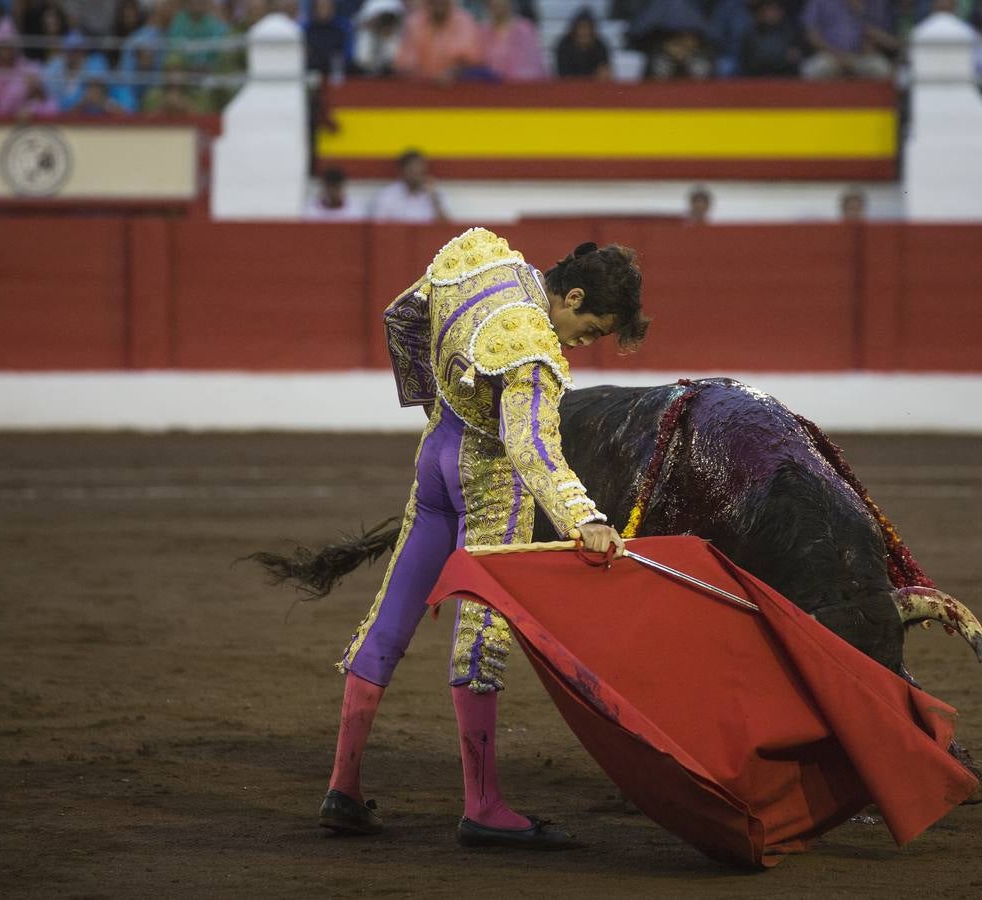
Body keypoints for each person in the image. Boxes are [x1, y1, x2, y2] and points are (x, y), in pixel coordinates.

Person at [316, 229, 649, 849]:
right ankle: (484, 805)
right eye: (593, 328)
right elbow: (531, 448)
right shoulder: (532, 348)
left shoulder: (482, 260)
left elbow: (406, 315)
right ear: (572, 296)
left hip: (435, 455)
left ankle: (343, 786)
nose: (586, 343)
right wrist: (586, 521)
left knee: (389, 615)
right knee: (481, 635)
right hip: (489, 480)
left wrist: (438, 400)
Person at [800, 0, 896, 79]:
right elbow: (811, 35)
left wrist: (861, 13)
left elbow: (885, 38)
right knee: (811, 70)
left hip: (861, 57)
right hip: (831, 56)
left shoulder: (876, 4)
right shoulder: (821, 2)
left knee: (883, 69)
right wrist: (836, 54)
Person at [395, 0, 484, 81]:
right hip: (421, 88)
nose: (438, 3)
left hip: (458, 88)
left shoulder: (465, 22)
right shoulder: (414, 23)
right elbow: (405, 63)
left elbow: (471, 60)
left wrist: (453, 73)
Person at [0, 17, 44, 114]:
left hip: (19, 119)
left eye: (9, 45)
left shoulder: (28, 68)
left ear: (15, 46)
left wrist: (30, 107)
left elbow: (42, 101)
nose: (6, 50)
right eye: (2, 44)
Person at [371, 149, 448, 222]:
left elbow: (445, 228)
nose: (416, 175)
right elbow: (378, 227)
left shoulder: (434, 195)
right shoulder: (387, 196)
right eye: (412, 170)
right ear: (402, 170)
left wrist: (434, 199)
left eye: (419, 171)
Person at [479, 0, 546, 81]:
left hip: (520, 89)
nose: (496, 2)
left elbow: (531, 70)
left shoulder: (524, 30)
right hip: (489, 90)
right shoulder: (482, 31)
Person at [738, 0, 807, 77]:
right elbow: (753, 59)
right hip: (757, 76)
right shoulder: (751, 32)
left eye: (775, 10)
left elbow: (795, 55)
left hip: (785, 76)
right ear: (761, 13)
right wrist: (782, 57)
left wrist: (776, 58)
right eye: (768, 10)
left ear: (781, 13)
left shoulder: (790, 31)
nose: (771, 13)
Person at [553, 7, 610, 77]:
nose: (584, 32)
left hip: (594, 86)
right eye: (581, 28)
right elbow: (563, 74)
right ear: (574, 30)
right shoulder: (564, 46)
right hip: (569, 86)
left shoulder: (600, 47)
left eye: (587, 28)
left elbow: (604, 72)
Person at [352, 0, 403, 75]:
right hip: (364, 75)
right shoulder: (364, 37)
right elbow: (362, 60)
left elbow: (395, 64)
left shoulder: (397, 36)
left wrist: (387, 33)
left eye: (388, 19)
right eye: (379, 18)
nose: (383, 22)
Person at [303, 0, 352, 76]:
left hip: (336, 74)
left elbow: (347, 56)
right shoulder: (306, 29)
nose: (325, 10)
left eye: (328, 7)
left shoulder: (343, 28)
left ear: (333, 9)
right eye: (321, 7)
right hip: (312, 73)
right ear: (314, 9)